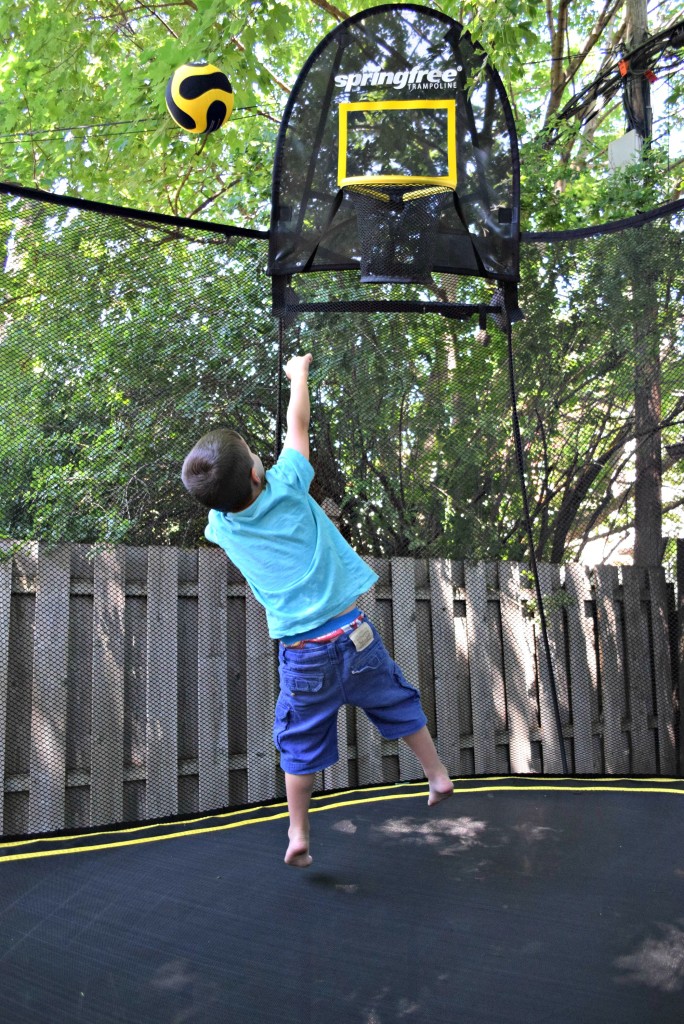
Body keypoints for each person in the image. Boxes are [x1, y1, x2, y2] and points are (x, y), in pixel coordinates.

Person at [181, 353, 453, 867]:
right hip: (356, 634)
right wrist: (298, 374)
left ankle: (299, 833)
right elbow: (297, 425)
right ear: (260, 471)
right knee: (396, 700)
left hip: (304, 654)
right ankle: (437, 774)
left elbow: (219, 494)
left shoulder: (222, 527)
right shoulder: (288, 483)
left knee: (299, 744)